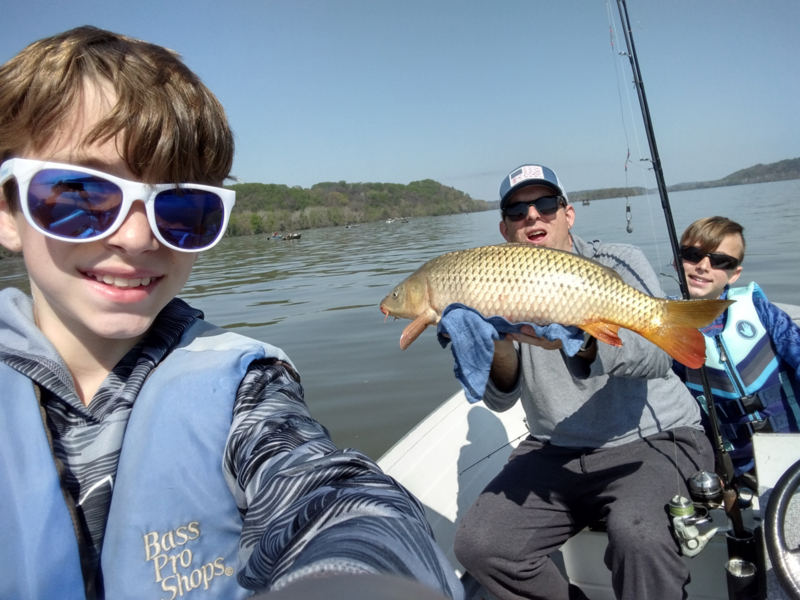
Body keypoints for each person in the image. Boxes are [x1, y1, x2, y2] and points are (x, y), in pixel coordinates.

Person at [0, 27, 462, 600]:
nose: (138, 238)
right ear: (8, 213)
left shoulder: (247, 391)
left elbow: (329, 492)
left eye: (182, 208)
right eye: (82, 196)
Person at [452, 164, 714, 600]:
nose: (532, 216)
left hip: (653, 436)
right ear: (504, 229)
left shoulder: (618, 260)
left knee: (640, 536)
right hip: (556, 447)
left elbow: (656, 359)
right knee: (481, 545)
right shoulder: (490, 280)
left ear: (568, 214)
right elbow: (500, 400)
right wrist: (494, 343)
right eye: (516, 211)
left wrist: (586, 344)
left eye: (545, 204)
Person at [672, 216, 800, 486]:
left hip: (792, 448)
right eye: (693, 255)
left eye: (720, 261)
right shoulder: (664, 325)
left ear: (735, 273)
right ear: (676, 260)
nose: (703, 266)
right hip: (732, 468)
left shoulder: (760, 310)